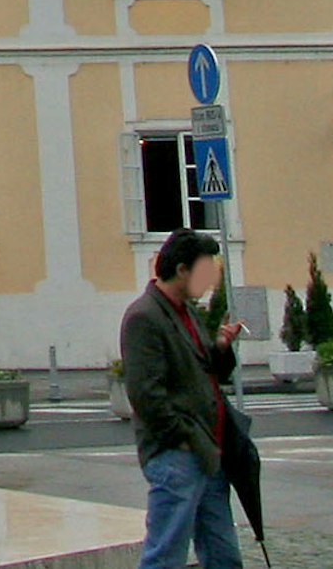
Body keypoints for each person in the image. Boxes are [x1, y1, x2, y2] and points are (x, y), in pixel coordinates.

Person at [119, 231, 241, 569]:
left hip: (208, 451)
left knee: (223, 554)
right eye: (205, 271)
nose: (210, 280)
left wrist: (220, 347)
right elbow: (145, 394)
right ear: (183, 269)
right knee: (166, 555)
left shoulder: (186, 311)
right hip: (178, 454)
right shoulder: (144, 316)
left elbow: (206, 371)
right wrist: (184, 439)